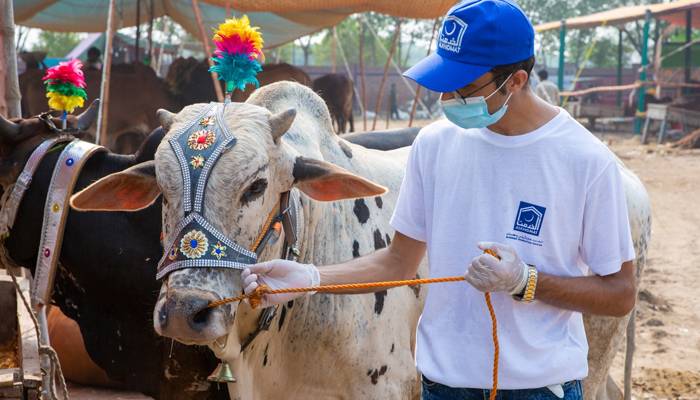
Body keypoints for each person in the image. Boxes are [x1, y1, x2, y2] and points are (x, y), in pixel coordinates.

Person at [242, 1, 636, 399]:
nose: (447, 96)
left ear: (515, 81)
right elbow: (398, 261)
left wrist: (525, 281)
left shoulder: (585, 161)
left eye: (463, 85)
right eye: (444, 80)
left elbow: (620, 293)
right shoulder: (434, 145)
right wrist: (311, 279)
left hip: (538, 387)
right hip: (442, 385)